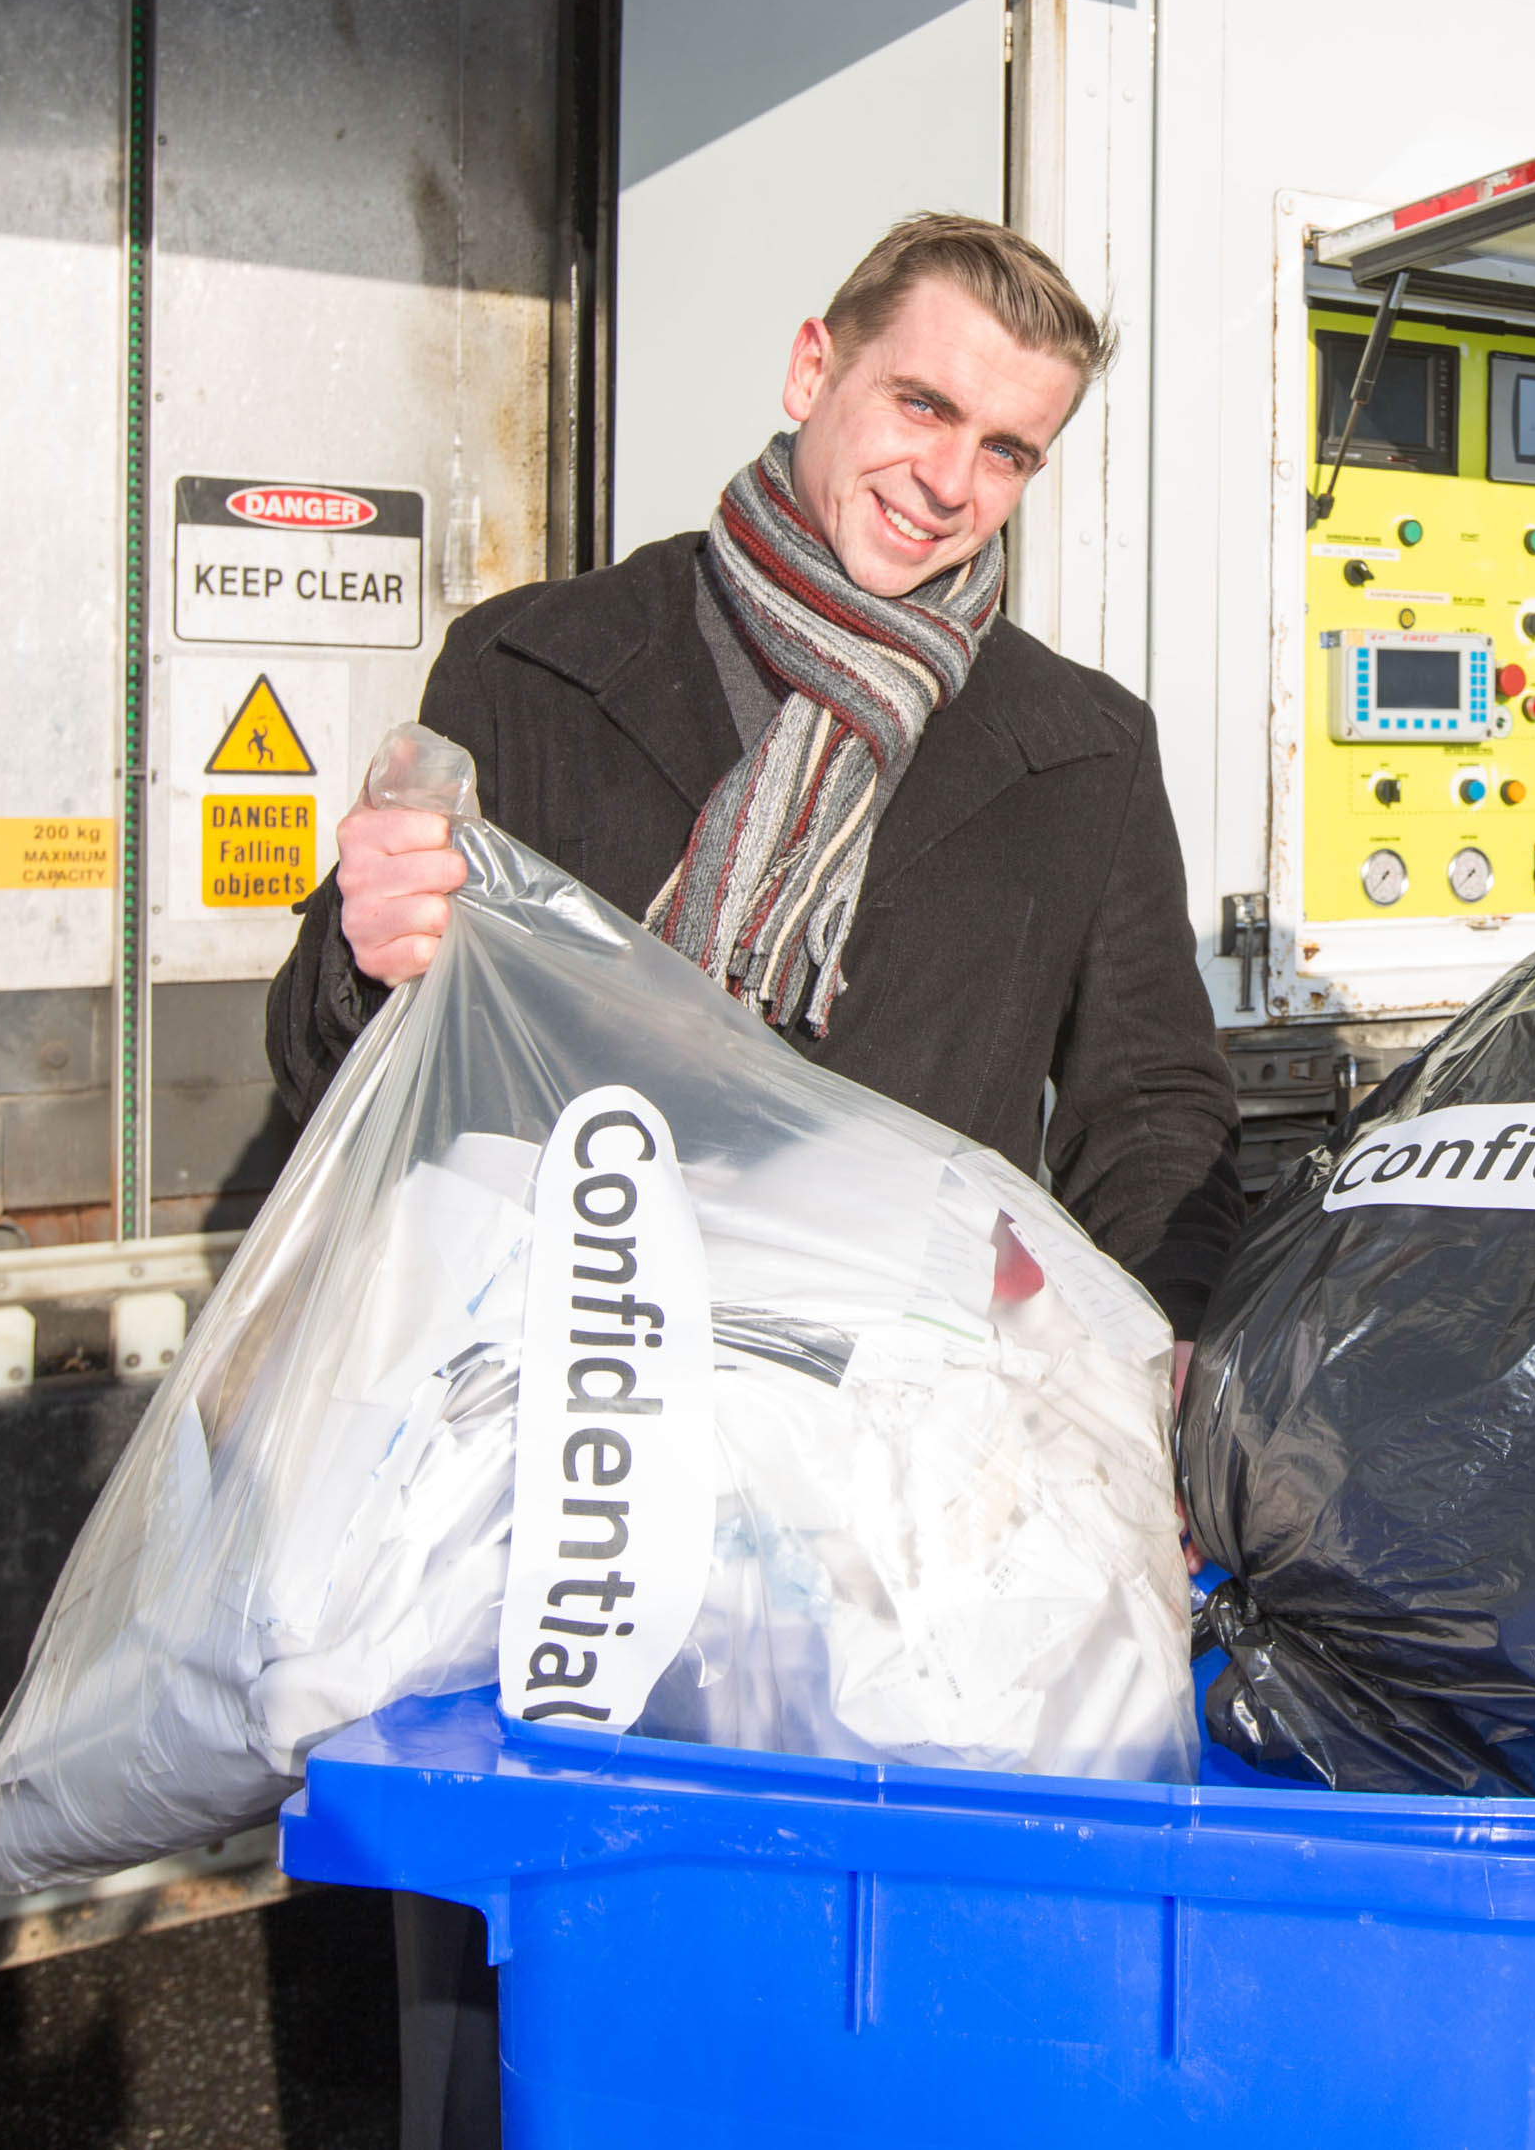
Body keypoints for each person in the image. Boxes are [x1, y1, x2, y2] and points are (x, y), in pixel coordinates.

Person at [267, 212, 1241, 2149]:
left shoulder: (1074, 742)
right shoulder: (536, 663)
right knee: (525, 1994)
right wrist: (353, 944)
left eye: (1008, 448)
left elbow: (1150, 1097)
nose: (949, 480)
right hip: (558, 1437)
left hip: (893, 1477)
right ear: (813, 367)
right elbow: (349, 1070)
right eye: (921, 403)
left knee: (850, 2004)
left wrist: (1144, 1365)